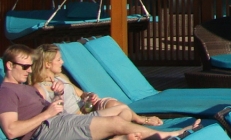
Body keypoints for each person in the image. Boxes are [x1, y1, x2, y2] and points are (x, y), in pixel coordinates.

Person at [0, 44, 196, 140]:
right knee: (116, 122)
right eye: (25, 67)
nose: (29, 71)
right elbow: (11, 131)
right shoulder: (7, 92)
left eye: (30, 66)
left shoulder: (23, 88)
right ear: (10, 65)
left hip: (60, 121)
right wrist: (48, 113)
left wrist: (58, 97)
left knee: (120, 125)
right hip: (46, 131)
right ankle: (171, 135)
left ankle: (153, 135)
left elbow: (59, 108)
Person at [30, 44, 161, 126]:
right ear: (47, 64)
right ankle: (138, 122)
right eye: (58, 60)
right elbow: (52, 117)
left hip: (87, 109)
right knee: (123, 112)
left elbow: (81, 94)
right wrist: (58, 95)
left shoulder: (61, 77)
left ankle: (135, 122)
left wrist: (89, 96)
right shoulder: (39, 88)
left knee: (114, 105)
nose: (62, 62)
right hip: (75, 120)